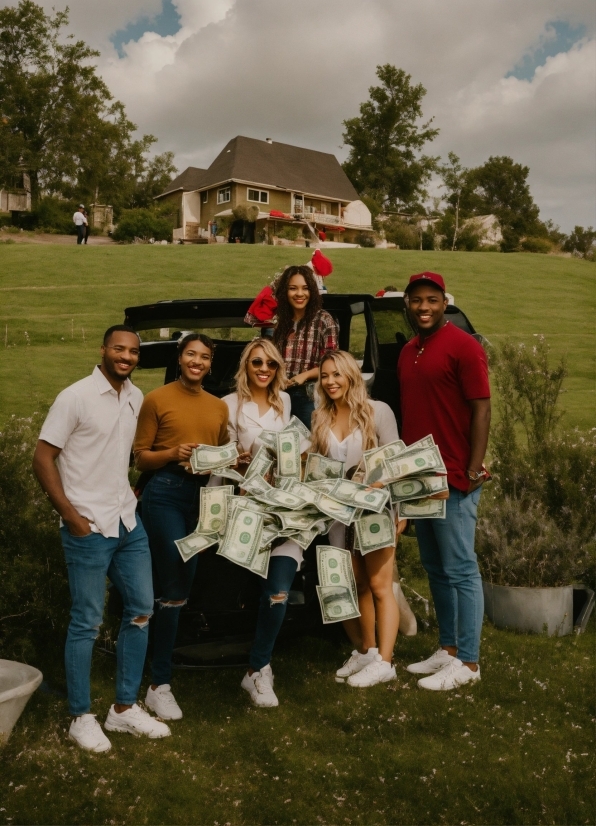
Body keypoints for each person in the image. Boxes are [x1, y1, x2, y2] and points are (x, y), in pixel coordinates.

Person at [32, 326, 170, 753]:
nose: (126, 356)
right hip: (87, 526)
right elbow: (42, 457)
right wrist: (71, 516)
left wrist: (129, 488)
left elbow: (119, 453)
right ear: (104, 350)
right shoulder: (75, 396)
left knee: (142, 610)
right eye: (119, 349)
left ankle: (124, 709)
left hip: (127, 523)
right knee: (87, 622)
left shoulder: (135, 397)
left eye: (133, 351)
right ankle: (80, 716)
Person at [397, 272, 491, 691]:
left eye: (431, 300)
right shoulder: (408, 351)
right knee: (435, 567)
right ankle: (448, 649)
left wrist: (472, 470)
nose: (424, 307)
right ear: (408, 304)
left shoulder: (464, 347)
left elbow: (481, 409)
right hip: (420, 476)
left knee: (460, 569)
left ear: (444, 301)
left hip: (455, 476)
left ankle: (468, 663)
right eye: (417, 300)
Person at [134, 333, 229, 720]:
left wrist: (232, 461)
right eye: (191, 354)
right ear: (180, 357)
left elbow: (218, 458)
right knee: (173, 580)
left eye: (204, 357)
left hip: (202, 496)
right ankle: (159, 683)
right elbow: (140, 458)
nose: (197, 361)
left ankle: (153, 666)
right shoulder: (156, 399)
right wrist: (172, 454)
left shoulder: (219, 407)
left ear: (210, 364)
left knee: (181, 583)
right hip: (165, 493)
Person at [214, 338, 306, 707]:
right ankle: (257, 663)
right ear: (245, 366)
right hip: (248, 508)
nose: (264, 369)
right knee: (251, 590)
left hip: (286, 509)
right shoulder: (229, 405)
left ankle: (257, 669)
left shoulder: (284, 401)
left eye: (270, 363)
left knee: (279, 589)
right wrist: (241, 463)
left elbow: (295, 451)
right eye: (256, 363)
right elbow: (225, 460)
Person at [311, 350, 407, 687]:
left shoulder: (378, 411)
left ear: (352, 375)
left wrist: (401, 510)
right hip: (338, 515)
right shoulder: (320, 416)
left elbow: (398, 462)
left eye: (337, 374)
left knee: (381, 586)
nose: (330, 381)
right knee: (358, 585)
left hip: (374, 511)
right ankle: (367, 652)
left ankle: (386, 660)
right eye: (324, 375)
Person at [272, 264, 338, 428]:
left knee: (309, 444)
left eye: (305, 288)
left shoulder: (323, 320)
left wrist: (304, 376)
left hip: (309, 395)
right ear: (285, 292)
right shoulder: (280, 322)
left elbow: (332, 363)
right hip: (277, 394)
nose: (299, 294)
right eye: (293, 288)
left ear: (312, 292)